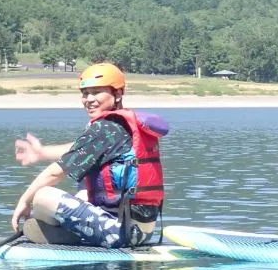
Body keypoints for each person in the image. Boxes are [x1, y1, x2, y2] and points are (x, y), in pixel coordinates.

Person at [12, 63, 168, 248]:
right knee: (83, 192)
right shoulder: (119, 127)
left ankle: (66, 235)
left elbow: (55, 173)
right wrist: (42, 152)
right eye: (85, 93)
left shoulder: (106, 128)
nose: (89, 99)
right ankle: (63, 233)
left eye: (96, 92)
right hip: (140, 232)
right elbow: (80, 150)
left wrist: (24, 201)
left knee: (43, 196)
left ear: (118, 94)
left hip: (122, 233)